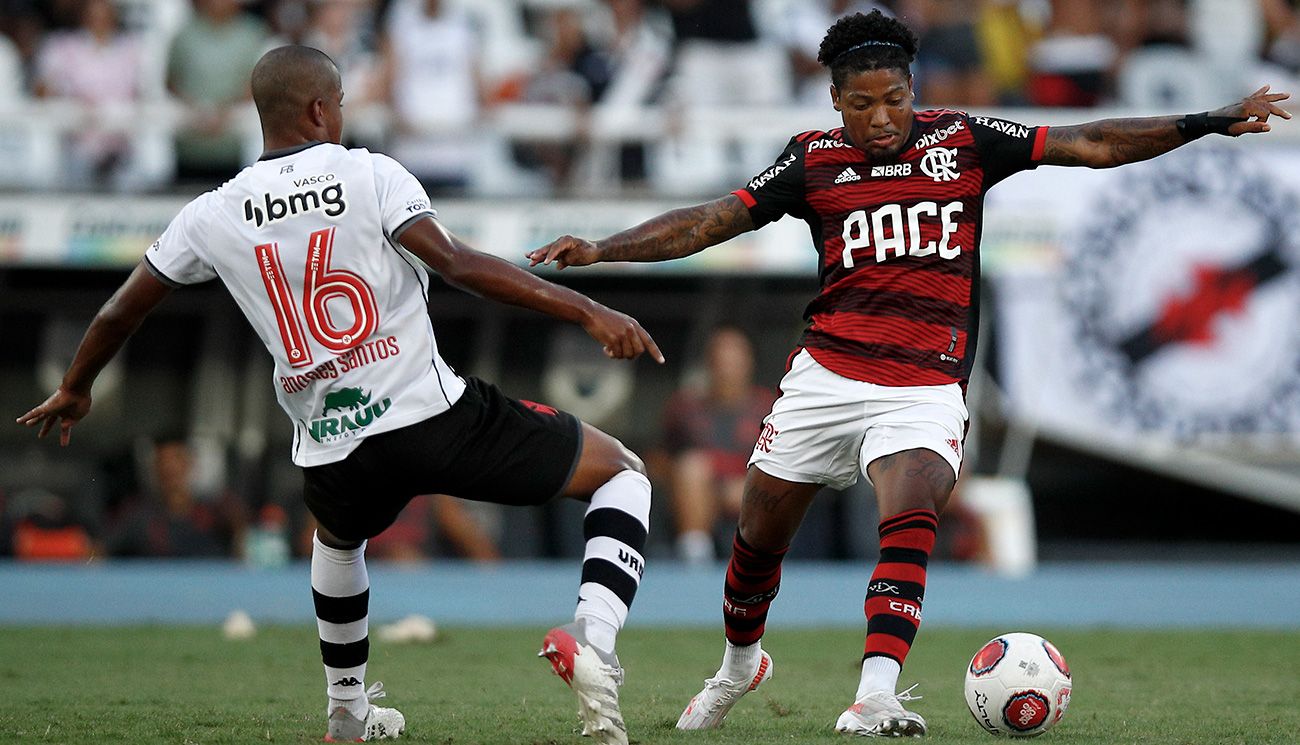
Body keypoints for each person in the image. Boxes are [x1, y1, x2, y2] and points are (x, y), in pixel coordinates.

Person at [527, 10, 1289, 738]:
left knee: (914, 498)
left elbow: (1090, 142)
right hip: (826, 375)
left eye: (896, 98)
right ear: (835, 101)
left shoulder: (966, 139)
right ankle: (739, 664)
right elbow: (708, 221)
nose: (883, 117)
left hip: (924, 381)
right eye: (863, 104)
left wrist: (1205, 121)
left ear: (913, 90)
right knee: (757, 540)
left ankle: (874, 694)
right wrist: (603, 249)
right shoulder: (812, 159)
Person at [18, 45, 663, 745]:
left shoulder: (211, 213)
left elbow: (121, 309)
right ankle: (593, 637)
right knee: (621, 472)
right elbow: (458, 264)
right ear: (321, 109)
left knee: (338, 540)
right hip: (432, 415)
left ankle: (347, 712)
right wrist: (587, 310)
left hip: (332, 444)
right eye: (343, 104)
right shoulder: (368, 172)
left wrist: (76, 388)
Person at [660, 326, 775, 564]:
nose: (727, 371)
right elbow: (659, 459)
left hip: (753, 494)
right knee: (692, 467)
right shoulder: (685, 408)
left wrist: (747, 484)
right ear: (709, 365)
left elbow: (791, 465)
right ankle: (695, 559)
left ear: (748, 364)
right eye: (721, 362)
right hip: (699, 494)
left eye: (734, 362)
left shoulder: (770, 409)